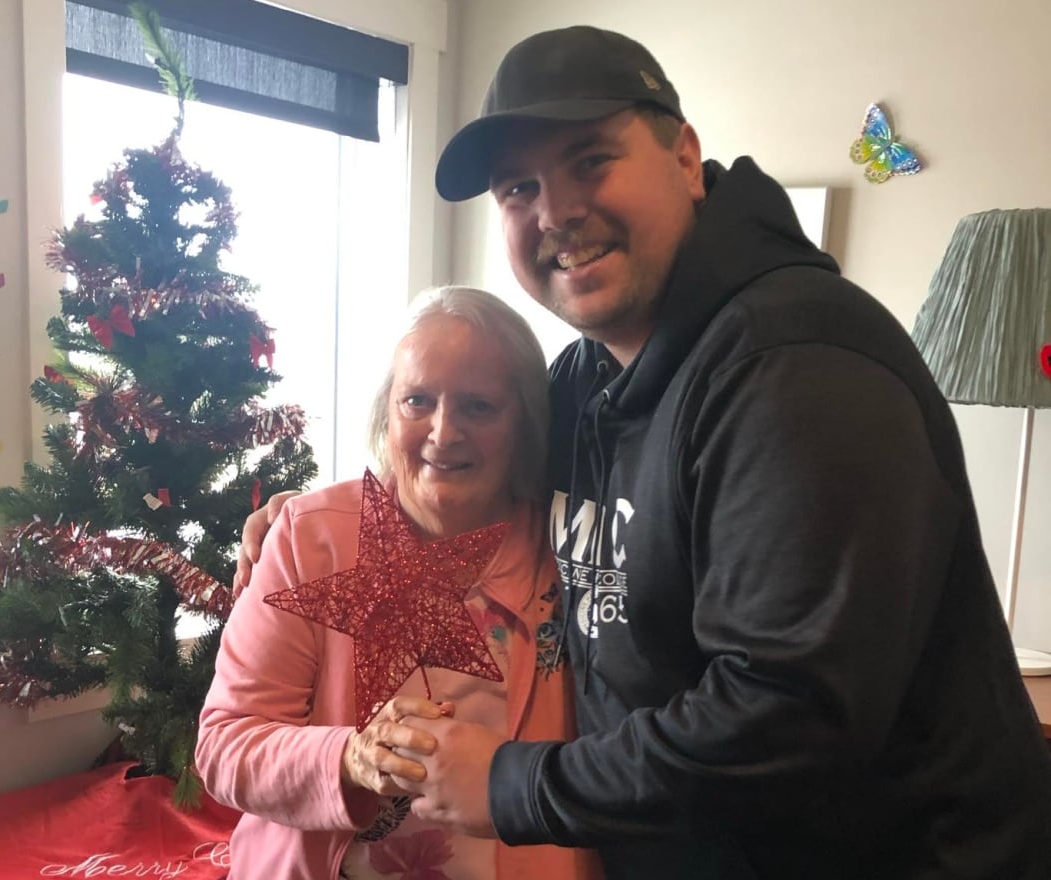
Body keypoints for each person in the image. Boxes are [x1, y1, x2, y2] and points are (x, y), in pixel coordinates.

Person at [236, 24, 1051, 880]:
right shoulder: (586, 382)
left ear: (687, 158)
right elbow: (460, 453)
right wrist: (311, 517)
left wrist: (514, 783)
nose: (555, 212)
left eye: (591, 161)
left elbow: (788, 716)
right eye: (520, 188)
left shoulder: (797, 370)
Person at [195, 286, 600, 880]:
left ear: (526, 425)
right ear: (387, 412)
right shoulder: (312, 540)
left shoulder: (574, 548)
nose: (443, 432)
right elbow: (226, 746)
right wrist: (350, 758)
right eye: (417, 401)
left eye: (479, 407)